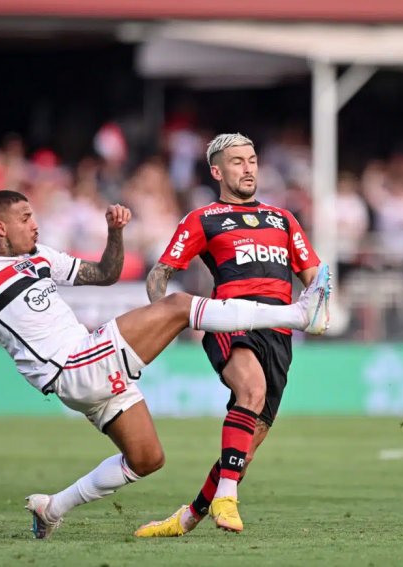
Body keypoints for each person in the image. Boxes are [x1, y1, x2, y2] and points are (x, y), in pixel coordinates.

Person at [0, 190, 331, 539]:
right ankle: (295, 315)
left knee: (147, 459)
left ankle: (51, 508)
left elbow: (105, 274)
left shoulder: (40, 258)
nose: (35, 224)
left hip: (88, 369)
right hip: (72, 365)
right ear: (0, 227)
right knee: (179, 306)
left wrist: (114, 233)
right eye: (26, 218)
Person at [136, 133, 323, 536]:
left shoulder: (283, 219)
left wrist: (323, 302)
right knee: (251, 390)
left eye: (252, 160)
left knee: (245, 451)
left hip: (279, 331)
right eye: (237, 162)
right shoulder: (203, 219)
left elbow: (314, 276)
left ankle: (187, 518)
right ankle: (227, 499)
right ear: (217, 171)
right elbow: (161, 273)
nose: (248, 168)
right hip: (230, 320)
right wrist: (160, 317)